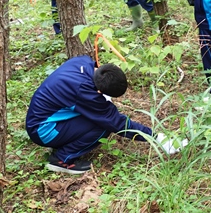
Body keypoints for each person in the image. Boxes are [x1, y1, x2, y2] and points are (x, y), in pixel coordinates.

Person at [25, 55, 188, 174]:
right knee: (102, 126)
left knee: (98, 118)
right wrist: (157, 138)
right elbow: (117, 123)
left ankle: (65, 142)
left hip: (44, 118)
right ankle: (61, 159)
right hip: (42, 130)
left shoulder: (82, 62)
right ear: (99, 90)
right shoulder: (84, 91)